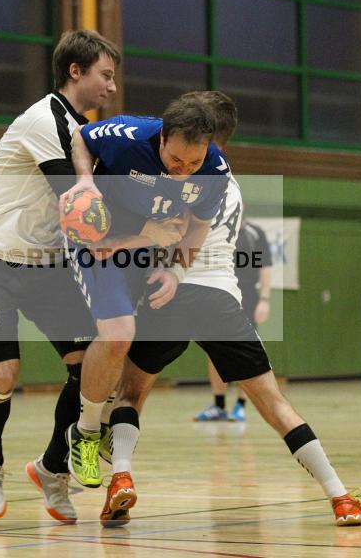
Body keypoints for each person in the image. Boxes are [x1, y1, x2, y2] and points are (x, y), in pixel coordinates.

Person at [98, 91, 361, 528]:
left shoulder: (183, 179)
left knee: (130, 394)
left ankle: (121, 476)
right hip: (221, 299)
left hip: (171, 292)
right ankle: (340, 497)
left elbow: (167, 231)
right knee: (274, 404)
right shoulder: (232, 185)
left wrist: (117, 241)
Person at [0, 30, 123, 522]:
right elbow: (74, 198)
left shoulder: (84, 130)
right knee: (4, 373)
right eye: (105, 75)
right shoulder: (44, 119)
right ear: (75, 71)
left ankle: (53, 468)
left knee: (89, 366)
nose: (112, 87)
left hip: (48, 263)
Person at [60, 94, 230, 490]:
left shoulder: (215, 170)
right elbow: (81, 136)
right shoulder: (128, 135)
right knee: (119, 333)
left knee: (147, 347)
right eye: (175, 161)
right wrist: (84, 180)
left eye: (193, 164)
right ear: (162, 137)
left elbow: (197, 228)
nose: (183, 172)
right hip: (99, 241)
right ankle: (85, 432)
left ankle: (103, 425)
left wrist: (175, 271)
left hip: (148, 248)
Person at [194, 219, 271, 422]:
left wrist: (264, 299)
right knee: (214, 348)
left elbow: (265, 267)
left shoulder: (255, 233)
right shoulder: (213, 229)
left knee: (244, 351)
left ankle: (240, 405)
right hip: (217, 294)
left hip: (246, 297)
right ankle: (218, 405)